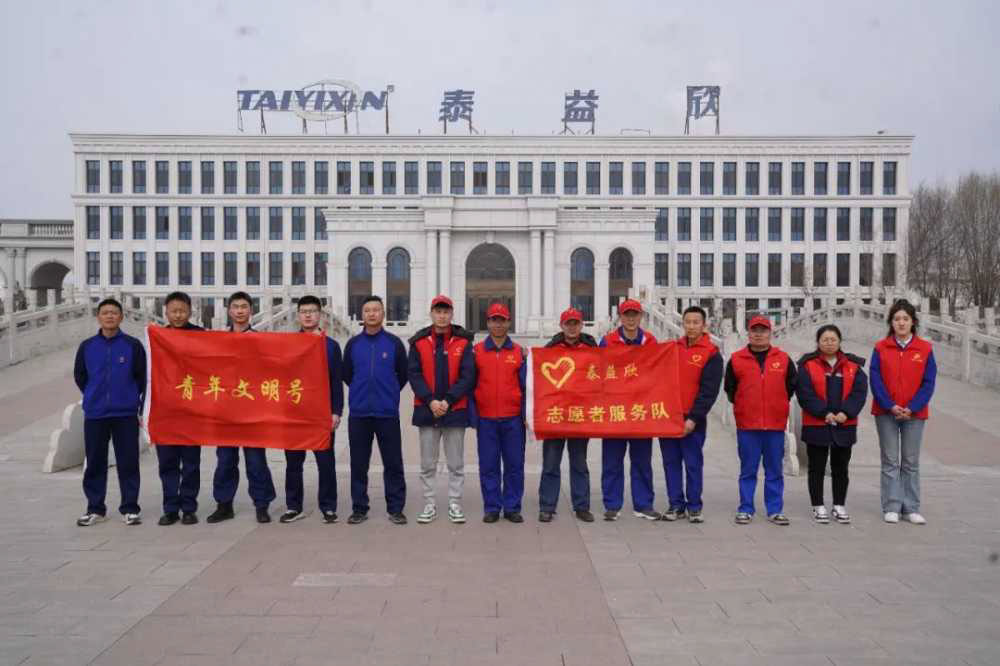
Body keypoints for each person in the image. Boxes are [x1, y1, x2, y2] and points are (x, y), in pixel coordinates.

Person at [73, 298, 146, 526]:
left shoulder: (132, 346)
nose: (110, 316)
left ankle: (130, 508)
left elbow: (141, 377)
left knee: (128, 461)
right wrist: (94, 395)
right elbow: (81, 376)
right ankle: (95, 508)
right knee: (95, 461)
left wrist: (132, 400)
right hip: (95, 414)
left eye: (114, 312)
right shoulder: (87, 346)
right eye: (105, 313)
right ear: (98, 317)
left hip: (125, 413)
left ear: (121, 317)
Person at [207, 291, 277, 524]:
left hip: (252, 411)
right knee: (225, 460)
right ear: (229, 310)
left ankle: (262, 504)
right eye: (235, 306)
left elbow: (270, 371)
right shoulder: (218, 341)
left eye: (244, 306)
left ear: (251, 310)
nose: (239, 310)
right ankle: (224, 504)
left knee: (256, 460)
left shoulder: (261, 340)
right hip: (225, 411)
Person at [408, 295, 476, 524]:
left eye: (446, 312)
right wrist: (431, 401)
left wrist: (447, 400)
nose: (442, 315)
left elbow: (468, 376)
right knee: (428, 462)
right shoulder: (418, 342)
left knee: (455, 462)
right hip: (427, 410)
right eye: (438, 311)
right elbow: (414, 375)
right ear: (431, 313)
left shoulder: (464, 342)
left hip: (455, 410)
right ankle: (429, 503)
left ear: (451, 314)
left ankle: (455, 503)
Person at [724, 314, 796, 526]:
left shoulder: (783, 359)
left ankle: (775, 509)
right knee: (748, 469)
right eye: (755, 330)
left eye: (763, 330)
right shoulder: (737, 359)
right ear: (749, 333)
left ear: (769, 333)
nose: (758, 334)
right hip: (748, 425)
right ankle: (746, 508)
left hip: (774, 424)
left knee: (774, 469)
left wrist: (777, 403)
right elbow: (730, 389)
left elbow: (791, 386)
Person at [343, 295, 409, 525]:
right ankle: (359, 508)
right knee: (359, 463)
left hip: (386, 413)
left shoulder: (394, 344)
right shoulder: (353, 344)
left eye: (376, 310)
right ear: (362, 315)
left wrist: (387, 393)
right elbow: (347, 375)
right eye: (367, 310)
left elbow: (403, 375)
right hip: (359, 414)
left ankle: (396, 508)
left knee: (393, 463)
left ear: (383, 314)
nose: (372, 314)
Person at [870, 299, 936, 525]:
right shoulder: (881, 347)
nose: (901, 323)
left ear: (913, 322)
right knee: (889, 460)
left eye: (905, 319)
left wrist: (912, 407)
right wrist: (890, 405)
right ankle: (891, 506)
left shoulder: (925, 349)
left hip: (914, 414)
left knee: (910, 461)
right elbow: (875, 379)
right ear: (891, 322)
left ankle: (911, 507)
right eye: (897, 319)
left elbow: (928, 383)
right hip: (885, 412)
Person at [279, 295, 344, 524]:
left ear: (320, 315)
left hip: (320, 414)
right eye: (303, 311)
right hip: (295, 413)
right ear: (298, 315)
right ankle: (293, 506)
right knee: (293, 463)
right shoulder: (287, 344)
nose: (308, 315)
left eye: (312, 311)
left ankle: (328, 506)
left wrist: (336, 411)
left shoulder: (331, 346)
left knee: (325, 462)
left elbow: (336, 381)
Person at [796, 324, 868, 524]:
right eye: (825, 339)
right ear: (818, 342)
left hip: (845, 425)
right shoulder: (807, 365)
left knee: (841, 467)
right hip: (817, 424)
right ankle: (818, 505)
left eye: (833, 339)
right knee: (816, 467)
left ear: (839, 341)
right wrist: (824, 413)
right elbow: (804, 393)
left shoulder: (853, 366)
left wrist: (847, 412)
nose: (829, 343)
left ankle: (839, 505)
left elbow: (859, 392)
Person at [659, 306, 723, 524]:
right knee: (670, 462)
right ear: (682, 324)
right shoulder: (671, 349)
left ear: (704, 325)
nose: (692, 326)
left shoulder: (712, 353)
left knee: (693, 462)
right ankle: (675, 504)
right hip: (668, 417)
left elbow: (709, 391)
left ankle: (694, 506)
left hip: (693, 419)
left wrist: (693, 418)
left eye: (696, 322)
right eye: (688, 322)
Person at [600, 299, 660, 521]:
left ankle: (643, 504)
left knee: (642, 460)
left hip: (640, 412)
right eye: (627, 315)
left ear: (641, 316)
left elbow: (658, 372)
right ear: (620, 317)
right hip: (615, 411)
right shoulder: (607, 342)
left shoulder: (650, 341)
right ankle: (612, 504)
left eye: (635, 314)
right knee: (612, 461)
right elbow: (597, 372)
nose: (631, 318)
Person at [538, 307, 597, 523]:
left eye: (575, 323)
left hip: (579, 416)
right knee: (551, 463)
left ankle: (581, 506)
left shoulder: (592, 348)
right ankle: (547, 506)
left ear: (581, 325)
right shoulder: (550, 348)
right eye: (568, 323)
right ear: (561, 326)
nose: (572, 327)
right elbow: (539, 379)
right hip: (556, 416)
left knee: (579, 463)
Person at [471, 303, 527, 523]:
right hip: (486, 419)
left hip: (513, 419)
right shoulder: (477, 351)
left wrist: (525, 415)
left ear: (509, 322)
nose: (498, 324)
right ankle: (492, 507)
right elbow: (469, 383)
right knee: (488, 465)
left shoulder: (518, 352)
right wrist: (473, 415)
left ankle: (512, 507)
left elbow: (526, 386)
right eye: (494, 319)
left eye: (502, 320)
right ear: (488, 323)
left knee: (514, 465)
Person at [156, 291, 204, 526]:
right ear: (165, 311)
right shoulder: (157, 337)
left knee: (191, 463)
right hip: (164, 412)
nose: (178, 315)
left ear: (190, 311)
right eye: (173, 311)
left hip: (192, 412)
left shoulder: (202, 336)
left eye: (182, 310)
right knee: (167, 463)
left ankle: (189, 507)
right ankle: (170, 508)